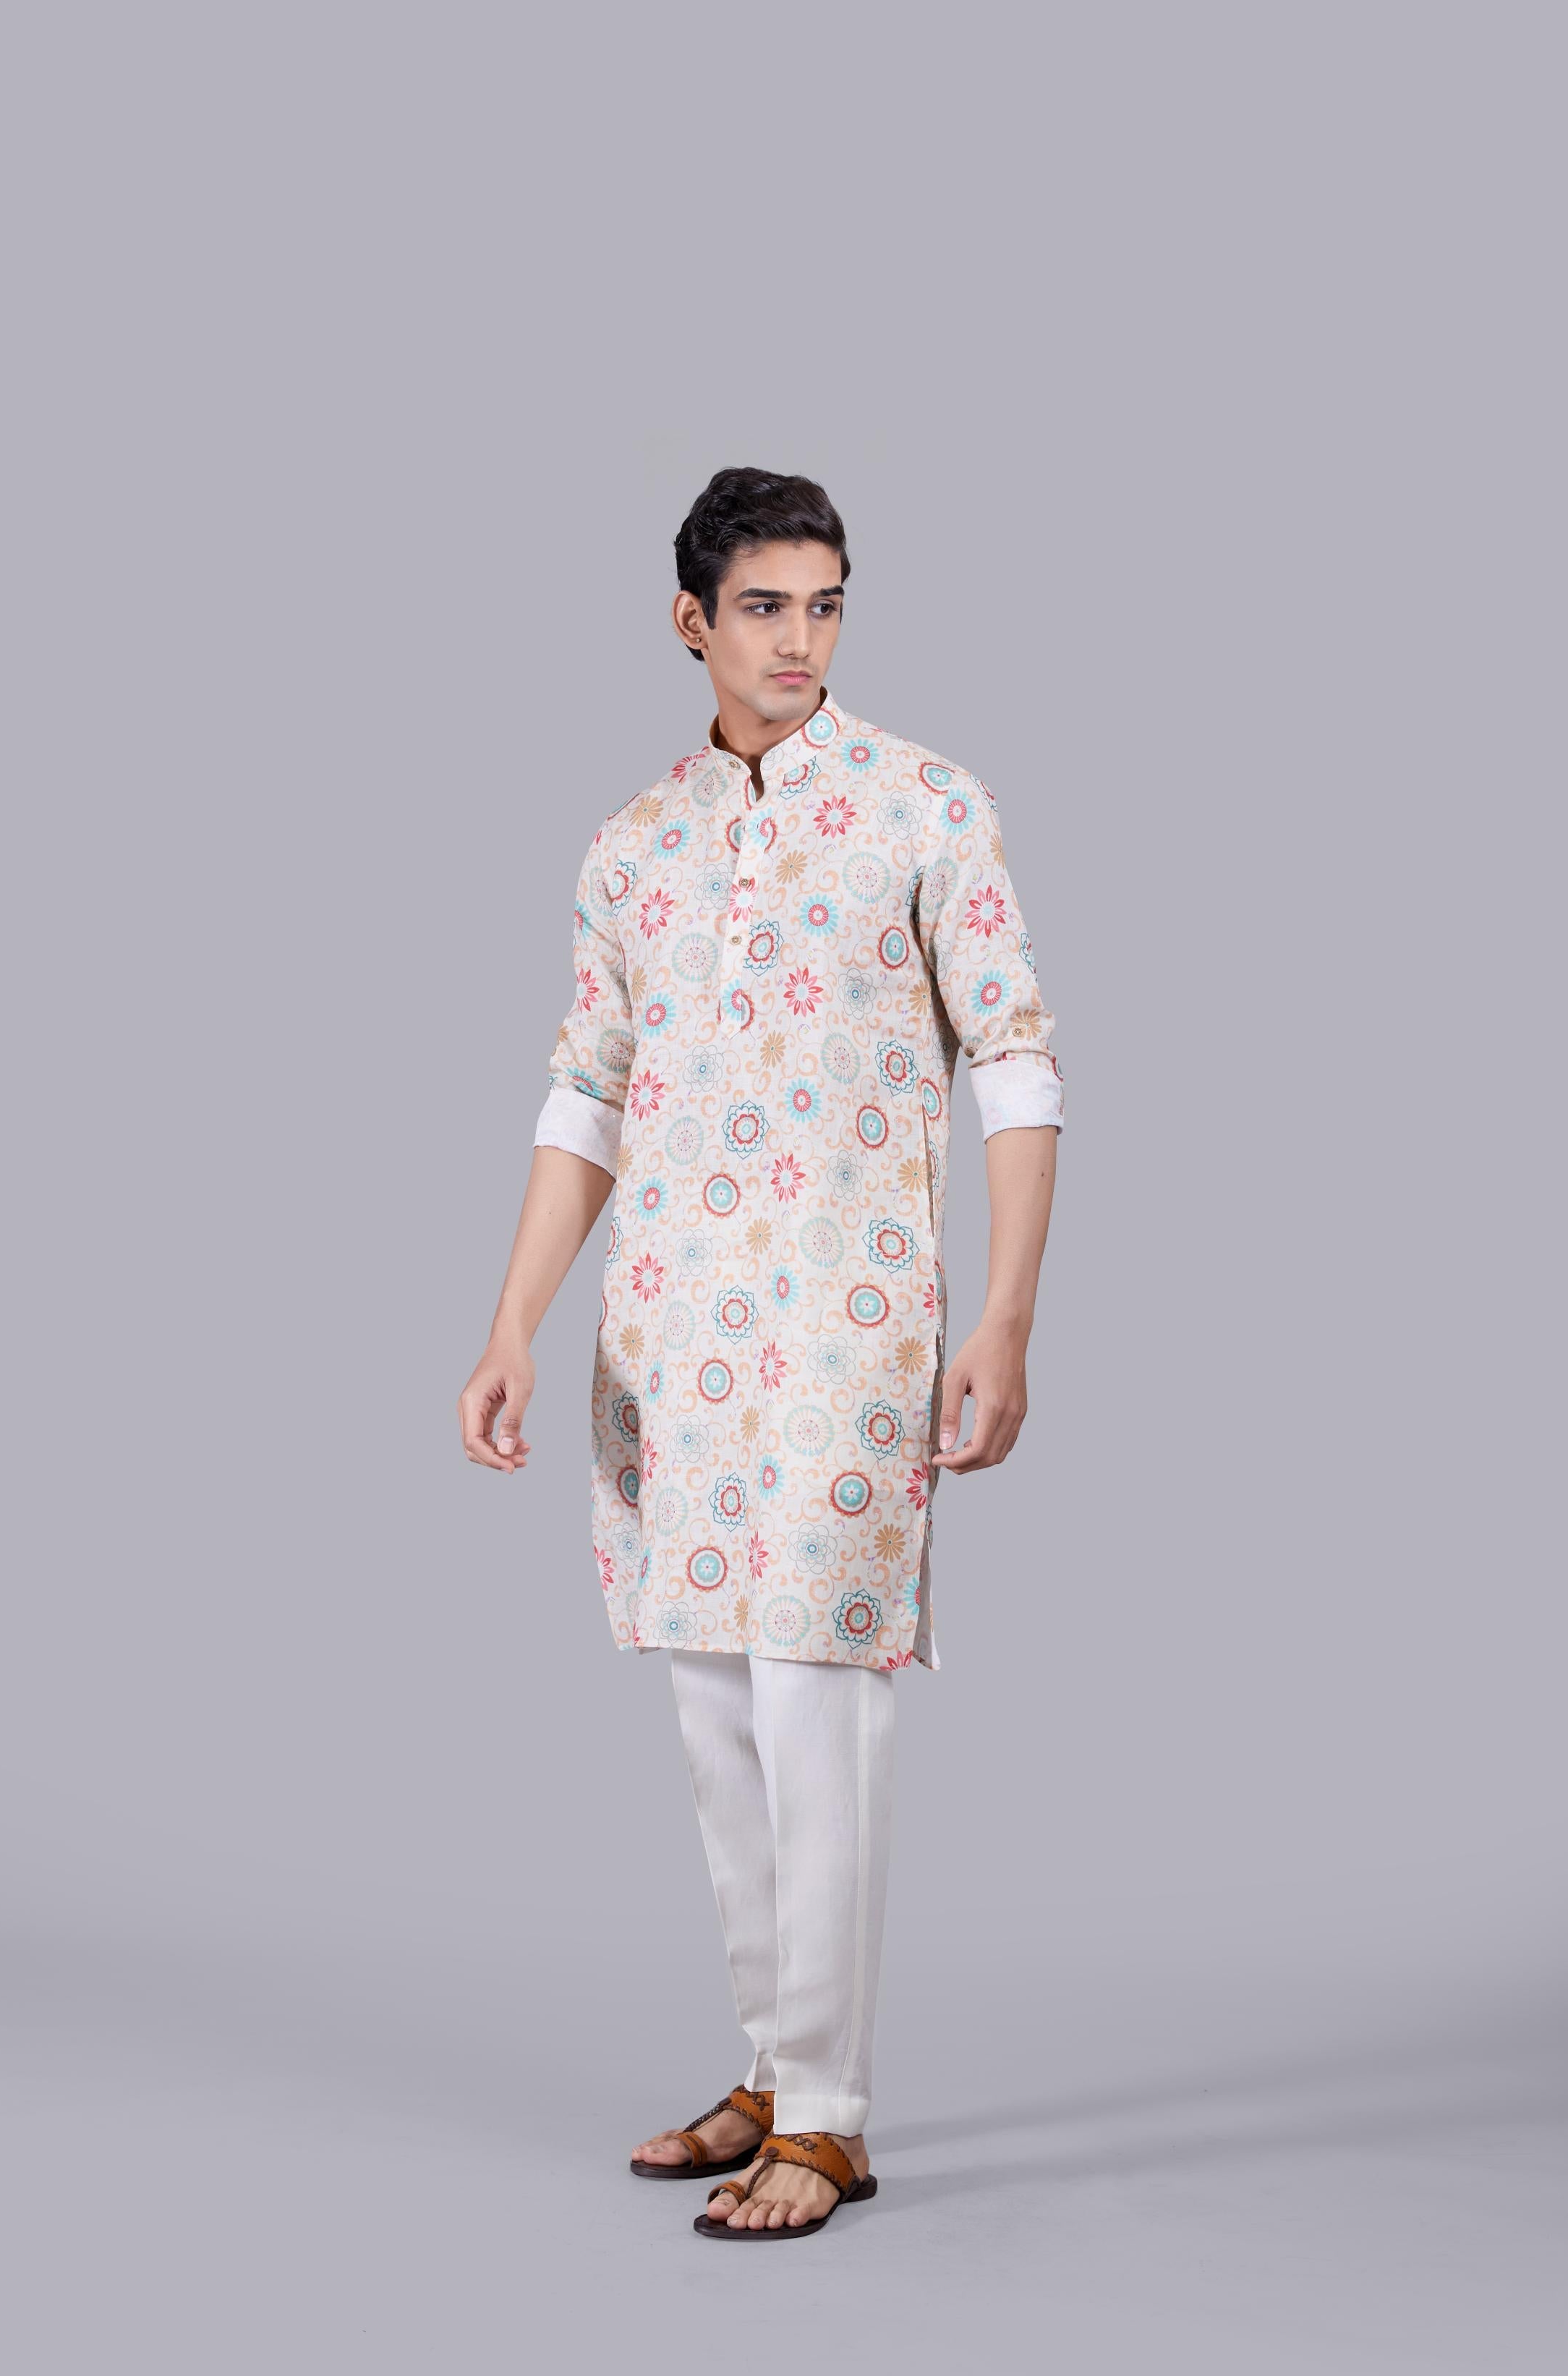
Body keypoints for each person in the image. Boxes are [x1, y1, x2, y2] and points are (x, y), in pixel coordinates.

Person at [458, 467, 1063, 2238]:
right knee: (715, 1709)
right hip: (670, 1332)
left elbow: (1017, 1060)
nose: (802, 639)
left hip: (847, 1328)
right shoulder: (634, 844)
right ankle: (771, 2069)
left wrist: (1007, 1313)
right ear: (693, 620)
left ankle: (834, 2113)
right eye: (767, 606)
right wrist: (511, 1323)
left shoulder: (926, 804)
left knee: (818, 1702)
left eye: (827, 603)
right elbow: (588, 1093)